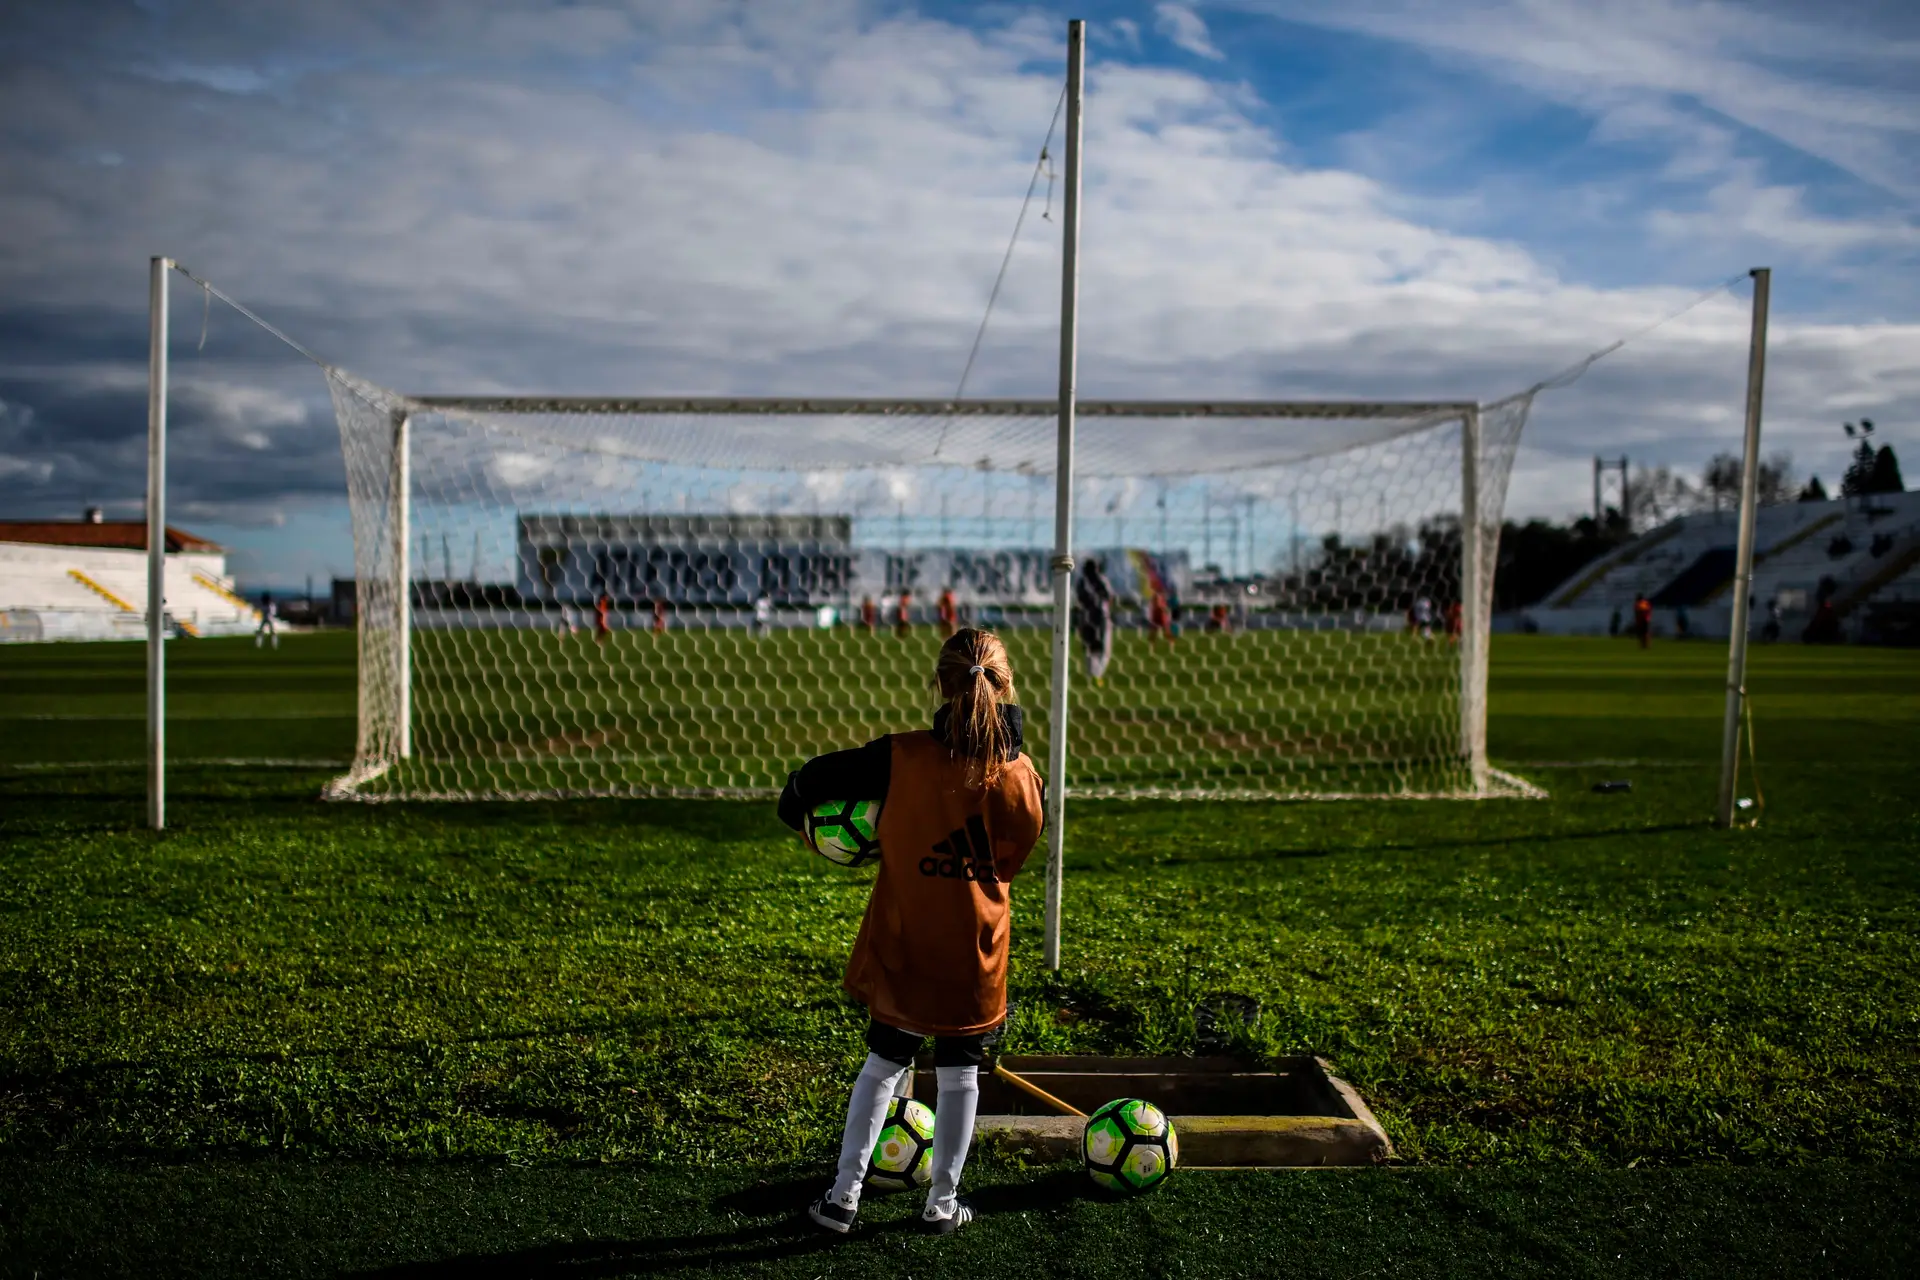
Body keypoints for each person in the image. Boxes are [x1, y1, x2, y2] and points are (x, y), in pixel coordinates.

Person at [779, 629, 1044, 1237]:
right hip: (976, 952)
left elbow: (811, 780)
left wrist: (799, 813)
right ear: (1006, 684)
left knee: (882, 1063)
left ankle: (842, 1200)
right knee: (961, 1073)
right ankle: (942, 1205)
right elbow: (1014, 856)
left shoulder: (897, 757)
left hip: (906, 944)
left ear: (940, 685)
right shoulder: (1026, 776)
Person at [1074, 557, 1115, 683]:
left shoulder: (1082, 581)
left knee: (1090, 648)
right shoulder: (1101, 579)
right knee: (1104, 650)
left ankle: (1091, 674)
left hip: (1086, 617)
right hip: (1101, 617)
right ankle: (1097, 675)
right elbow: (1109, 596)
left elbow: (1079, 598)